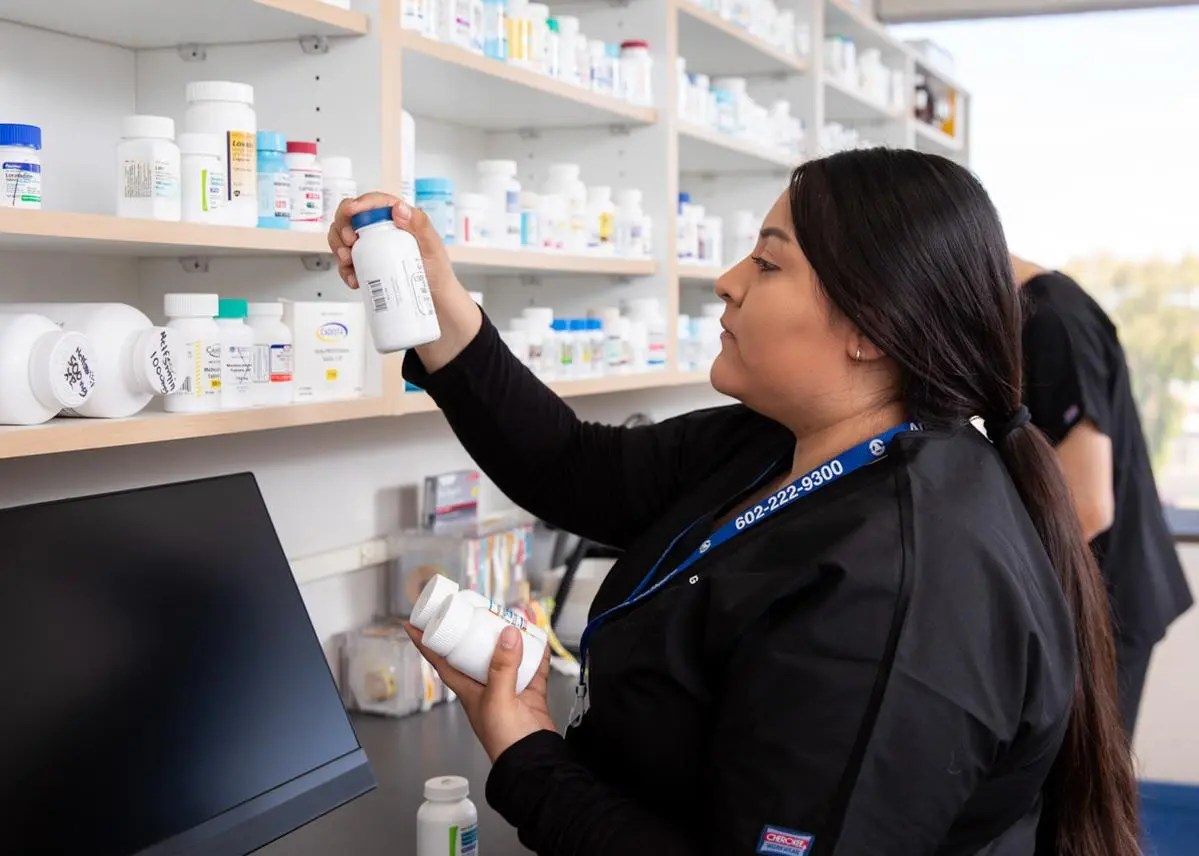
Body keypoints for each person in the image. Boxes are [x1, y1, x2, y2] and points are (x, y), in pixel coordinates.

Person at [328, 150, 1139, 855]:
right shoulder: (777, 442)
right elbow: (571, 467)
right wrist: (434, 305)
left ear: (871, 327)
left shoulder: (899, 588)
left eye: (768, 264)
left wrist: (527, 754)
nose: (726, 282)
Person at [1014, 256, 1193, 736]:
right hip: (1098, 594)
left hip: (1108, 601)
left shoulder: (1053, 321)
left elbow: (1087, 507)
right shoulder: (1046, 312)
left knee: (1087, 777)